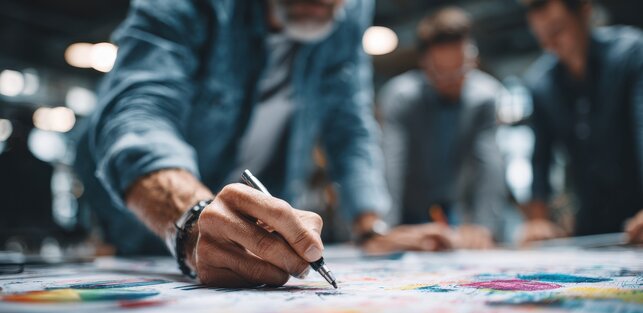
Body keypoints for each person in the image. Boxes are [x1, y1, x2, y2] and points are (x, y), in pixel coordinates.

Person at [76, 0, 456, 289]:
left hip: (256, 239)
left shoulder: (349, 11)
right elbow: (137, 115)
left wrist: (371, 226)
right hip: (153, 224)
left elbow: (349, 123)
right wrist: (191, 218)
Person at [379, 7, 506, 249]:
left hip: (452, 207)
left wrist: (484, 226)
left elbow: (489, 163)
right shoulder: (401, 97)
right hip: (406, 209)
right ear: (425, 65)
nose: (453, 83)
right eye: (443, 75)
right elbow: (391, 164)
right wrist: (384, 231)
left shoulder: (485, 97)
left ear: (472, 58)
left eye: (461, 72)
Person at [519, 0, 643, 244]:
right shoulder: (541, 82)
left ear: (585, 13)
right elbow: (541, 158)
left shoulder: (630, 53)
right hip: (590, 226)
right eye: (541, 36)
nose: (549, 44)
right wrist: (537, 221)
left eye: (557, 30)